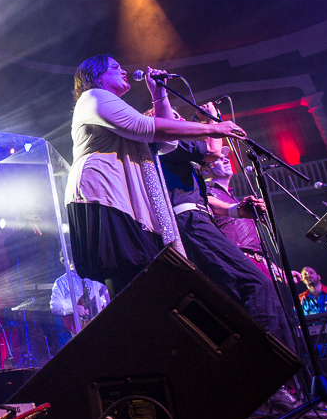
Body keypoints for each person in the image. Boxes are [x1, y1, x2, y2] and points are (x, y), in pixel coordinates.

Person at [65, 55, 248, 296]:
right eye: (116, 67)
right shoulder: (93, 97)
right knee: (130, 277)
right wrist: (214, 128)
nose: (124, 71)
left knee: (141, 277)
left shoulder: (110, 106)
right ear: (97, 76)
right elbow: (146, 127)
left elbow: (166, 142)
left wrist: (159, 94)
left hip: (121, 199)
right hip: (102, 196)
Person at [157, 103, 293, 346]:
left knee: (237, 296)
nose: (180, 122)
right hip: (190, 221)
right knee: (254, 285)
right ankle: (269, 363)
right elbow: (213, 150)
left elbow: (204, 199)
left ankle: (280, 371)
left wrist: (236, 210)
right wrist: (211, 121)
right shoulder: (166, 144)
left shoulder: (184, 162)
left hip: (195, 217)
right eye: (173, 118)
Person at [200, 146, 284, 282]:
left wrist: (277, 271)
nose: (226, 160)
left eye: (226, 158)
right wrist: (235, 209)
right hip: (237, 262)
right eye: (219, 159)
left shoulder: (234, 199)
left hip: (257, 264)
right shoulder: (204, 190)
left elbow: (251, 245)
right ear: (205, 170)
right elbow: (205, 200)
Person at [49, 269, 111, 334]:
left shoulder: (89, 280)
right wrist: (75, 308)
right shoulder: (62, 281)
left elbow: (106, 293)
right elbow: (54, 305)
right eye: (63, 260)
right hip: (80, 328)